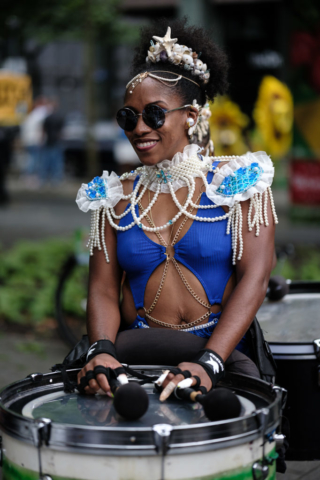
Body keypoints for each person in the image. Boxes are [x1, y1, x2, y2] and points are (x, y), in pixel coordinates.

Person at [76, 19, 277, 400]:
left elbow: (256, 278)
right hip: (133, 361)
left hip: (219, 358)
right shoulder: (114, 196)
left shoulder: (239, 182)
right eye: (127, 117)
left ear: (191, 115)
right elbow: (102, 289)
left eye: (154, 113)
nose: (138, 128)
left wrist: (210, 362)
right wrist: (101, 350)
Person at [41, 100, 64, 184]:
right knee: (57, 162)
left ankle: (44, 178)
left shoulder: (47, 118)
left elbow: (43, 130)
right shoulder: (60, 117)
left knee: (46, 161)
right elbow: (61, 131)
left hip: (49, 141)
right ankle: (56, 179)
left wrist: (42, 140)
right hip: (57, 141)